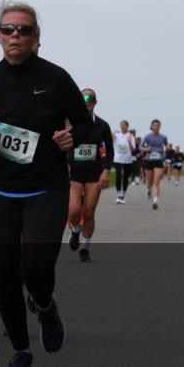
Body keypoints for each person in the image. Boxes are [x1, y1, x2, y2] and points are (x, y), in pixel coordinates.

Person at [0, 0, 93, 367]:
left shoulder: (55, 78)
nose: (15, 35)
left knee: (35, 268)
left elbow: (84, 125)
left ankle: (45, 305)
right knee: (3, 272)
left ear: (37, 38)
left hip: (45, 190)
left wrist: (71, 137)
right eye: (7, 29)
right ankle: (21, 351)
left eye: (24, 30)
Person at [66, 89, 113, 262]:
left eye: (91, 99)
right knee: (74, 210)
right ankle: (76, 230)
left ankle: (85, 248)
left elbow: (110, 151)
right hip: (74, 173)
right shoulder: (69, 123)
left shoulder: (102, 126)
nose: (87, 101)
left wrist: (106, 171)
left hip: (94, 173)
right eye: (84, 98)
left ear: (95, 102)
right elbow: (59, 145)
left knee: (89, 211)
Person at [140, 119, 169, 210]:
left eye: (158, 125)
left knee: (156, 182)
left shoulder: (163, 137)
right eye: (154, 125)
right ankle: (148, 189)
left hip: (159, 160)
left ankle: (155, 201)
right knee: (150, 182)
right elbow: (140, 146)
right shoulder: (147, 137)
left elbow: (166, 146)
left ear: (159, 127)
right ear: (152, 127)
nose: (156, 127)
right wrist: (146, 149)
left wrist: (165, 150)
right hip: (149, 160)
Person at [112, 120, 136, 204]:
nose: (122, 127)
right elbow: (109, 142)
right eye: (121, 125)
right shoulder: (116, 135)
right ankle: (118, 194)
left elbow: (133, 149)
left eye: (124, 125)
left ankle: (123, 194)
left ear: (127, 126)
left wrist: (129, 141)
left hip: (127, 159)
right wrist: (112, 136)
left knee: (125, 177)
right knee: (118, 175)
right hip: (117, 159)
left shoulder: (131, 135)